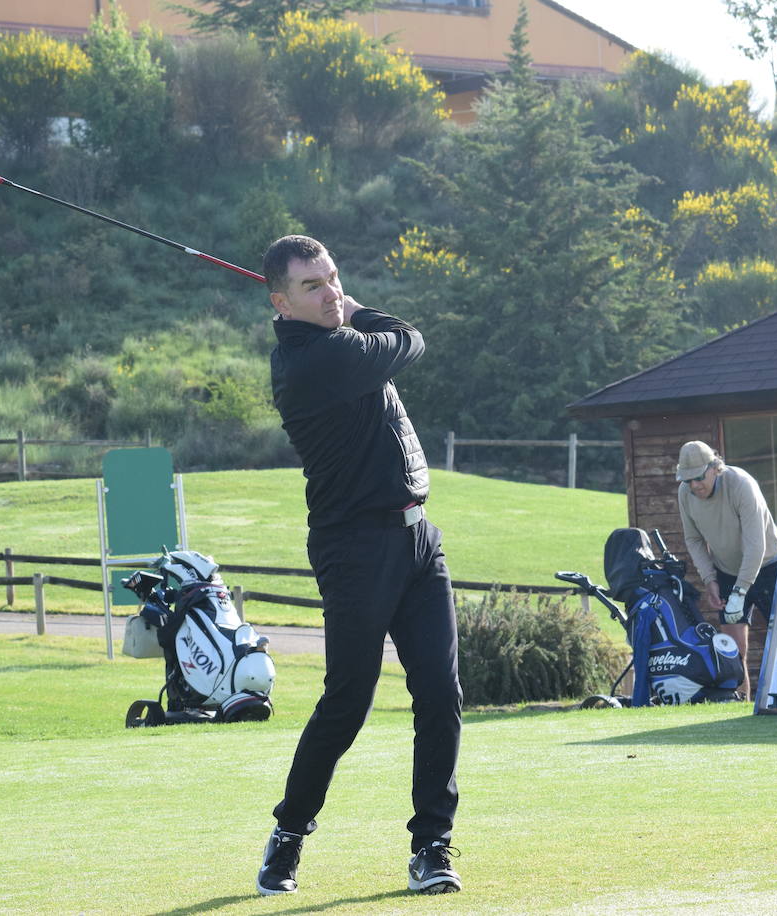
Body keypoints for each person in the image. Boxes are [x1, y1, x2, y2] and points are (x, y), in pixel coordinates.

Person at [255, 235, 463, 897]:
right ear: (280, 303)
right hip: (354, 548)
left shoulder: (335, 334)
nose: (331, 292)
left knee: (439, 693)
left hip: (416, 540)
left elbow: (378, 332)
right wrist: (356, 309)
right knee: (348, 702)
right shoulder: (318, 360)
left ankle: (432, 845)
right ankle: (289, 832)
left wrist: (339, 303)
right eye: (312, 287)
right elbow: (410, 339)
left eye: (334, 278)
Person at [674, 440, 777, 698]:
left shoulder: (742, 485)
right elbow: (693, 539)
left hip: (769, 565)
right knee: (734, 649)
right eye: (687, 480)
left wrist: (740, 591)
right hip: (726, 570)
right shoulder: (685, 493)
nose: (694, 485)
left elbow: (756, 545)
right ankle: (741, 703)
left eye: (698, 478)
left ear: (715, 467)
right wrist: (710, 579)